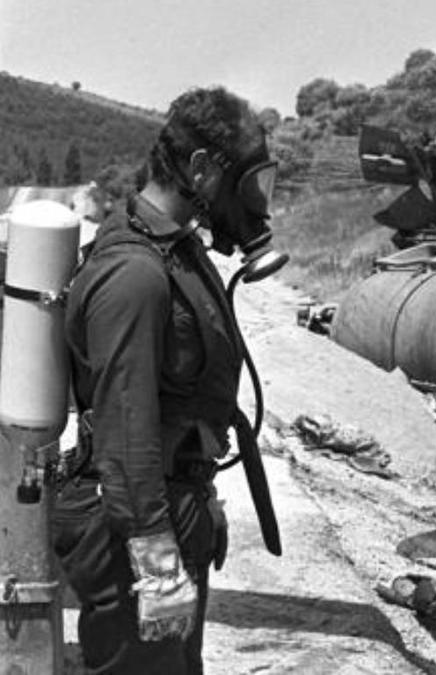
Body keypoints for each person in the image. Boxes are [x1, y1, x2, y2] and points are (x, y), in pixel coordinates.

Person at [51, 86, 282, 674]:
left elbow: (179, 401)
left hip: (164, 507)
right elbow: (127, 432)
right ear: (202, 169)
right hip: (129, 527)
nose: (256, 203)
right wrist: (156, 561)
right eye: (247, 183)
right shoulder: (136, 272)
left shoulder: (178, 252)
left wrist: (201, 495)